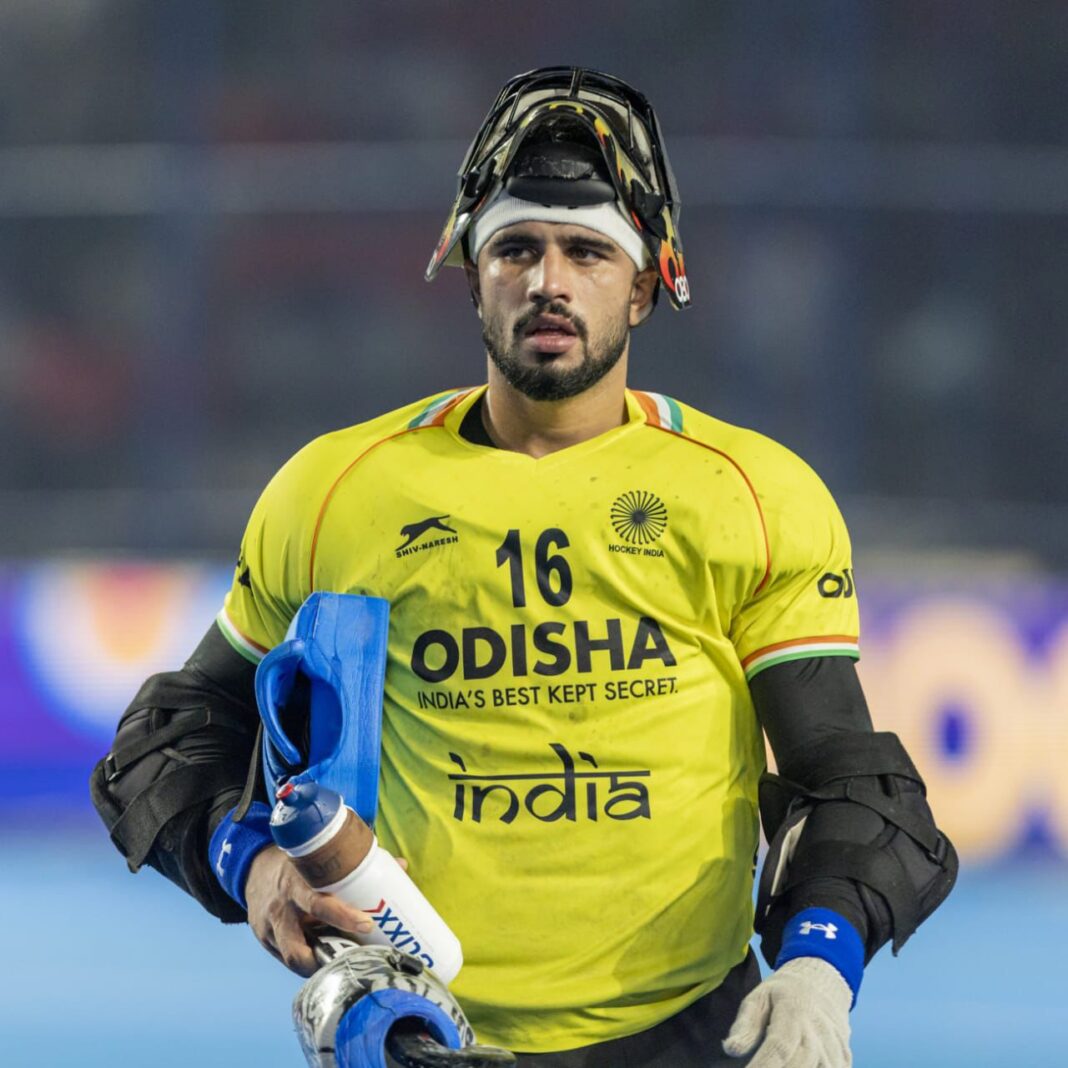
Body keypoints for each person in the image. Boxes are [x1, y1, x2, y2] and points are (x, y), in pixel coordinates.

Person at [91, 67, 957, 1067]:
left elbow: (844, 777)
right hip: (420, 1035)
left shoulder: (753, 495)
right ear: (472, 275)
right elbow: (169, 743)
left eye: (587, 251)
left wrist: (819, 966)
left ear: (644, 286)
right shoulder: (331, 491)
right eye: (516, 248)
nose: (549, 280)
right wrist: (252, 870)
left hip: (688, 1034)